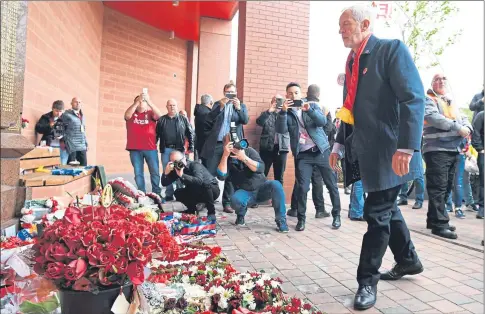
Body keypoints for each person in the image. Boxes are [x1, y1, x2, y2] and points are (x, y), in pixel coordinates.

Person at [330, 5, 424, 310]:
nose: (341, 30)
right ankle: (408, 259)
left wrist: (407, 147)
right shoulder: (353, 60)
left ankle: (366, 282)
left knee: (377, 214)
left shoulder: (390, 50)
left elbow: (414, 97)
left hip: (391, 152)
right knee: (385, 209)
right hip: (365, 151)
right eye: (340, 25)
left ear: (365, 24)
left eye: (345, 24)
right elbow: (349, 106)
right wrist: (338, 145)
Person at [276, 82, 341, 231]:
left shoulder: (311, 105)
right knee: (302, 188)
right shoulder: (286, 112)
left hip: (321, 151)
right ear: (287, 96)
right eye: (290, 93)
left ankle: (336, 216)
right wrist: (283, 112)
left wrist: (309, 110)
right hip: (303, 155)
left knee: (331, 185)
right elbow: (281, 130)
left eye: (296, 93)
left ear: (301, 93)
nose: (294, 96)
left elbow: (322, 121)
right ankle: (301, 219)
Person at [422, 74, 472, 238]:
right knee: (438, 187)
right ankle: (439, 224)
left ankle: (434, 219)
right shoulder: (429, 99)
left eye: (444, 78)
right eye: (436, 79)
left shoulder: (451, 101)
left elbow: (464, 118)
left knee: (445, 186)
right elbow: (432, 117)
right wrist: (458, 128)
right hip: (437, 149)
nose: (441, 81)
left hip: (452, 149)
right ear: (432, 84)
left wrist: (467, 127)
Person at [216, 135, 289, 233]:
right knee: (235, 200)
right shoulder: (225, 158)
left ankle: (281, 221)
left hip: (262, 188)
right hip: (245, 192)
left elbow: (261, 168)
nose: (234, 146)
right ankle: (240, 215)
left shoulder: (249, 151)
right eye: (230, 144)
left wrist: (244, 158)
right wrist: (225, 155)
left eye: (235, 142)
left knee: (276, 185)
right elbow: (221, 176)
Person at [201, 81, 249, 214]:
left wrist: (239, 108)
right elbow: (208, 119)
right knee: (209, 172)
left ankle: (226, 203)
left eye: (233, 92)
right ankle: (207, 200)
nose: (230, 95)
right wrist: (220, 108)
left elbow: (245, 120)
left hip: (233, 144)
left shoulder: (241, 105)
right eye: (228, 92)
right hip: (217, 143)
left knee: (230, 174)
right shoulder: (217, 104)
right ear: (224, 93)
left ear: (236, 93)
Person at [162, 150, 220, 221]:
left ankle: (211, 213)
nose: (176, 164)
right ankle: (192, 211)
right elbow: (164, 183)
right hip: (197, 192)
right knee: (178, 192)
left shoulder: (194, 165)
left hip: (212, 190)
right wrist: (165, 173)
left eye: (178, 161)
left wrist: (182, 175)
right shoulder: (176, 169)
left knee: (205, 184)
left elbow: (199, 181)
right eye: (173, 163)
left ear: (184, 158)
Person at [156, 99, 194, 201]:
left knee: (179, 169)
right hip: (166, 149)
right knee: (167, 171)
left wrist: (191, 147)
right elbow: (157, 134)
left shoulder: (183, 119)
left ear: (176, 106)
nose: (172, 107)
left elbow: (190, 133)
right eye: (170, 105)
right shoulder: (161, 120)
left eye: (174, 105)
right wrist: (154, 145)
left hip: (178, 150)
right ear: (166, 107)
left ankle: (180, 192)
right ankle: (169, 194)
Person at [124, 93, 162, 196]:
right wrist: (137, 101)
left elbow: (159, 116)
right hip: (135, 149)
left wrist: (149, 101)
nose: (141, 102)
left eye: (143, 101)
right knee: (138, 173)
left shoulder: (150, 113)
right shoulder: (132, 114)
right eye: (139, 101)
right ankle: (141, 194)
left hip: (150, 148)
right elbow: (127, 116)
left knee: (154, 172)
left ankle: (157, 193)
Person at [255, 95, 290, 184]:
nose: (277, 102)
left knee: (279, 177)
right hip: (266, 148)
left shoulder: (287, 115)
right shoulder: (267, 113)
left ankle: (277, 198)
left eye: (279, 101)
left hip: (281, 149)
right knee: (262, 174)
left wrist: (284, 111)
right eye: (275, 100)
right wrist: (269, 111)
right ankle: (260, 197)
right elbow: (259, 122)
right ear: (271, 102)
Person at [35, 100, 69, 164]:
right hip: (48, 146)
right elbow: (38, 128)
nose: (58, 113)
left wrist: (63, 136)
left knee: (62, 167)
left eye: (60, 111)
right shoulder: (45, 117)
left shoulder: (66, 119)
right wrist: (49, 125)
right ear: (52, 109)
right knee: (46, 165)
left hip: (62, 147)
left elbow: (71, 133)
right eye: (56, 111)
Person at [63, 97, 88, 166]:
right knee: (71, 168)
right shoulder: (66, 115)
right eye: (76, 102)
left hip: (82, 145)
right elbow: (61, 128)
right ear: (71, 103)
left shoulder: (82, 116)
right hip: (72, 146)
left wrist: (86, 143)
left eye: (79, 102)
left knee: (84, 167)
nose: (78, 104)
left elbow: (83, 131)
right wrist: (66, 141)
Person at [471, 110, 484, 219]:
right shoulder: (481, 115)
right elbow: (475, 132)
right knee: (483, 180)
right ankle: (482, 208)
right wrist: (480, 149)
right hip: (484, 153)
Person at [194, 94, 213, 159]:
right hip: (207, 145)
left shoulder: (199, 112)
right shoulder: (207, 113)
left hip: (200, 144)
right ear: (211, 102)